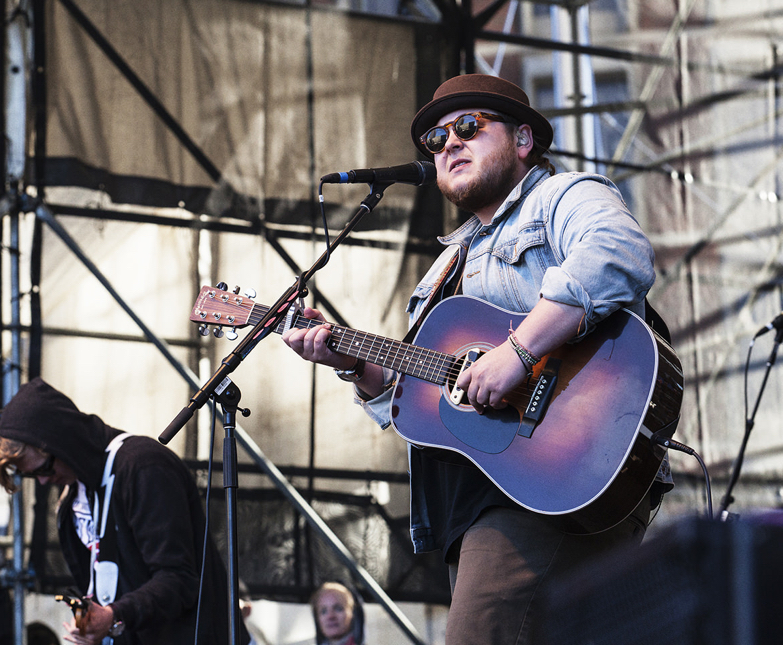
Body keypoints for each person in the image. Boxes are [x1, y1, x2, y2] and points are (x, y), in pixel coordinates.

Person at [282, 74, 672, 644]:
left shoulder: (560, 197)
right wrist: (351, 363)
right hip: (483, 495)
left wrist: (519, 350)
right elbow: (417, 404)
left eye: (467, 127)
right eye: (436, 141)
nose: (449, 145)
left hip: (564, 469)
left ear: (521, 141)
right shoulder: (439, 274)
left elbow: (619, 252)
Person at [0, 377, 248, 645]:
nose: (42, 481)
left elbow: (179, 579)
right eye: (32, 476)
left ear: (61, 443)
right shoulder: (78, 491)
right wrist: (97, 619)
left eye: (44, 468)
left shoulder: (144, 467)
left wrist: (114, 615)